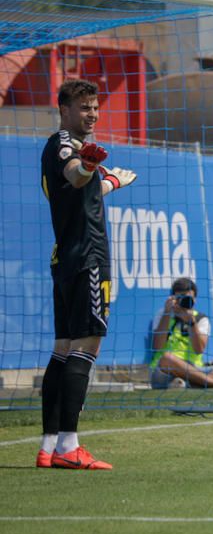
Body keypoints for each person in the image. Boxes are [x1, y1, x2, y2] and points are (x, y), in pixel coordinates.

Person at [37, 78, 138, 470]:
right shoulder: (66, 145)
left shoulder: (63, 147)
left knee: (63, 349)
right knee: (88, 344)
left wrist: (108, 180)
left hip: (66, 256)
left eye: (95, 107)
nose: (92, 113)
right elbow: (75, 175)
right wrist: (91, 167)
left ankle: (48, 445)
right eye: (83, 107)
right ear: (64, 110)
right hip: (88, 258)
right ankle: (69, 446)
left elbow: (80, 191)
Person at [149, 277, 213, 389]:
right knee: (167, 358)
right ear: (173, 298)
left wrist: (191, 322)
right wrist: (167, 313)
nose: (184, 301)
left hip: (195, 369)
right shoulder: (163, 314)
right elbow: (157, 347)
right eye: (180, 297)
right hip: (166, 370)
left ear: (195, 299)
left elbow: (199, 349)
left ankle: (194, 383)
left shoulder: (201, 319)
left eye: (188, 298)